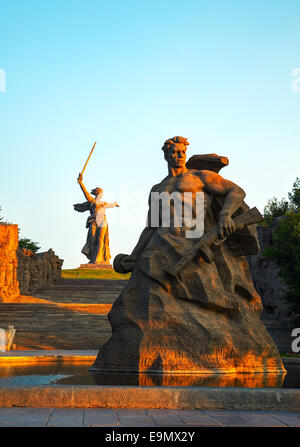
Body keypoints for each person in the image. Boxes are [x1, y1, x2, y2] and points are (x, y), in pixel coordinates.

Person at [91, 136, 285, 376]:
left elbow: (236, 191)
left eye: (182, 151)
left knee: (203, 288)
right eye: (174, 152)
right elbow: (151, 226)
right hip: (160, 242)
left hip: (192, 241)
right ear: (166, 155)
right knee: (133, 298)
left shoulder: (199, 177)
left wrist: (225, 215)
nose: (179, 155)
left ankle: (225, 311)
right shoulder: (158, 189)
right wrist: (134, 255)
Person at [74, 173, 119, 264]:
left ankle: (98, 259)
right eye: (101, 193)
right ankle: (93, 258)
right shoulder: (92, 201)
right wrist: (80, 182)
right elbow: (85, 192)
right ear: (98, 193)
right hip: (93, 221)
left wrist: (115, 204)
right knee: (92, 240)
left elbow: (111, 205)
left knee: (100, 239)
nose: (102, 195)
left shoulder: (104, 203)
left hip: (103, 222)